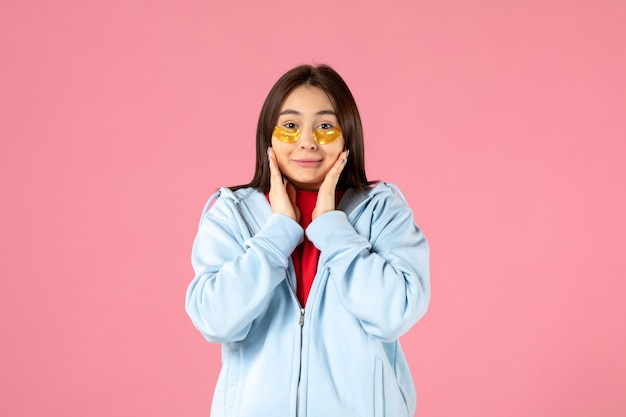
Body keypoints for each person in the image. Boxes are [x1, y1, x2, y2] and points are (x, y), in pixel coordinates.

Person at [185, 64, 430, 417]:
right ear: (268, 135)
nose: (307, 140)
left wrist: (333, 229)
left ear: (347, 135)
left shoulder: (382, 212)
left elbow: (394, 314)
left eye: (325, 126)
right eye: (290, 126)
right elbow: (215, 319)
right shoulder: (232, 214)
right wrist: (278, 233)